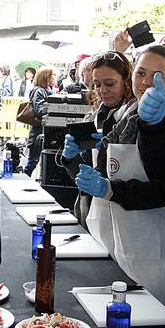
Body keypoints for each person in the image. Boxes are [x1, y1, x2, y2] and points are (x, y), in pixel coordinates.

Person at [72, 45, 165, 301]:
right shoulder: (125, 117)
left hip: (152, 241)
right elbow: (104, 170)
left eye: (156, 75)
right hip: (116, 237)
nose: (146, 82)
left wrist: (111, 189)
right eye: (141, 73)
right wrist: (79, 157)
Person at [62, 51, 134, 246]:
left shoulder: (134, 119)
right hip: (91, 214)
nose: (102, 90)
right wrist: (71, 158)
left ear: (127, 81)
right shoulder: (94, 117)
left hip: (127, 221)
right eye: (97, 85)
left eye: (110, 84)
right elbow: (84, 177)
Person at [22, 66, 55, 175]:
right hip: (37, 132)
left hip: (43, 130)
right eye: (52, 75)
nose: (54, 77)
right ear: (46, 77)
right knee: (33, 161)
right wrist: (54, 107)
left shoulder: (48, 90)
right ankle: (24, 180)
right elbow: (39, 110)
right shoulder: (39, 91)